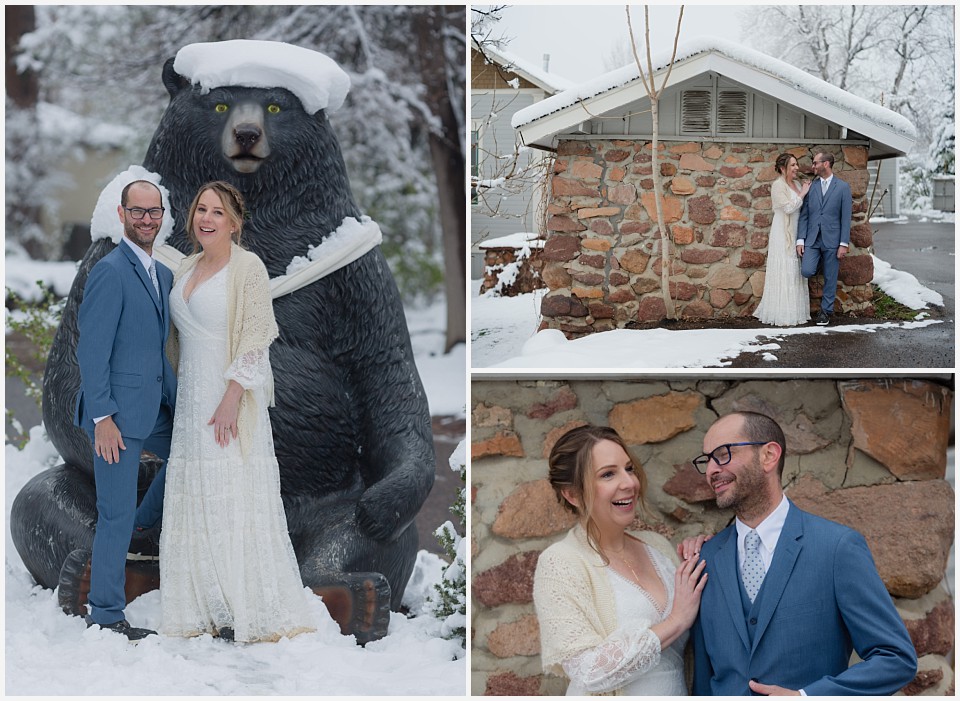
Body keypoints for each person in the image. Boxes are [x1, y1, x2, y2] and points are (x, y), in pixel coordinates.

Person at [159, 181, 315, 642]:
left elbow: (256, 337)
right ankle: (204, 600)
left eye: (218, 212)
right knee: (198, 491)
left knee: (232, 489)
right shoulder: (186, 266)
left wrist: (230, 399)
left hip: (227, 399)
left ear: (235, 223)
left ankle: (246, 603)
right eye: (201, 210)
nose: (206, 218)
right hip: (190, 400)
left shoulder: (247, 268)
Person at [689, 411, 918, 695]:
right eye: (707, 459)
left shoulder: (837, 548)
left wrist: (807, 697)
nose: (711, 469)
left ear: (769, 456)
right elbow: (703, 680)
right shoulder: (706, 558)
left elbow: (895, 658)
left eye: (722, 454)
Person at [73, 179, 176, 640]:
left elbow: (154, 350)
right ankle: (107, 613)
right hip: (115, 415)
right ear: (122, 214)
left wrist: (179, 401)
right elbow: (91, 352)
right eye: (138, 212)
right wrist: (102, 419)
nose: (147, 220)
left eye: (153, 212)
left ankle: (142, 524)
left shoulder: (163, 274)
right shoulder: (110, 271)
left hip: (153, 408)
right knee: (113, 512)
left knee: (192, 456)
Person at [533, 425, 707, 695]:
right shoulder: (559, 563)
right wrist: (676, 621)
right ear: (573, 494)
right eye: (608, 474)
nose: (629, 483)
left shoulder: (658, 546)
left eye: (629, 469)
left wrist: (700, 554)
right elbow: (587, 672)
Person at [754, 153, 811, 326]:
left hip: (796, 232)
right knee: (784, 267)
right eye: (792, 165)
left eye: (796, 165)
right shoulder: (777, 186)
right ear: (782, 168)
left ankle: (796, 311)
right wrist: (802, 193)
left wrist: (802, 190)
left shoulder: (797, 184)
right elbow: (787, 208)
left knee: (795, 271)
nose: (796, 168)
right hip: (782, 233)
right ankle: (781, 313)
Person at [797, 151, 852, 326]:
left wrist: (843, 243)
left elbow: (846, 217)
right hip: (812, 240)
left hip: (833, 240)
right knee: (806, 270)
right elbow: (804, 215)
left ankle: (825, 312)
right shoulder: (811, 187)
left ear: (826, 164)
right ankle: (821, 262)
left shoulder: (843, 187)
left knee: (830, 277)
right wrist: (800, 239)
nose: (813, 166)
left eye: (815, 163)